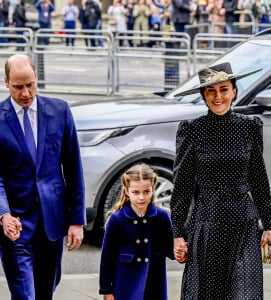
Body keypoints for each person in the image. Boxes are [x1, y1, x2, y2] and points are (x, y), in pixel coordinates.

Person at [170, 62, 271, 299]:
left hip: (244, 222)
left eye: (224, 89)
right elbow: (182, 187)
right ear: (203, 96)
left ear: (234, 92)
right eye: (211, 91)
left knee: (245, 293)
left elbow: (258, 179)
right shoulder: (193, 130)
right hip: (207, 224)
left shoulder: (250, 127)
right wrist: (177, 233)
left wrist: (269, 225)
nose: (218, 96)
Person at [0, 54, 86, 300]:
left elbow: (73, 169)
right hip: (15, 224)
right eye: (18, 86)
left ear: (37, 78)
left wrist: (77, 221)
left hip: (52, 220)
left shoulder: (60, 110)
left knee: (45, 292)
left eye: (30, 84)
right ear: (6, 82)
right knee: (25, 295)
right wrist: (4, 214)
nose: (25, 92)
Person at [99, 163, 174, 300]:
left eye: (146, 191)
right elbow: (107, 257)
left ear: (153, 189)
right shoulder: (117, 219)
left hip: (154, 282)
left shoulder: (162, 217)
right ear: (127, 191)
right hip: (125, 283)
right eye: (136, 192)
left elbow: (171, 249)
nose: (141, 197)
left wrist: (181, 247)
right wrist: (106, 289)